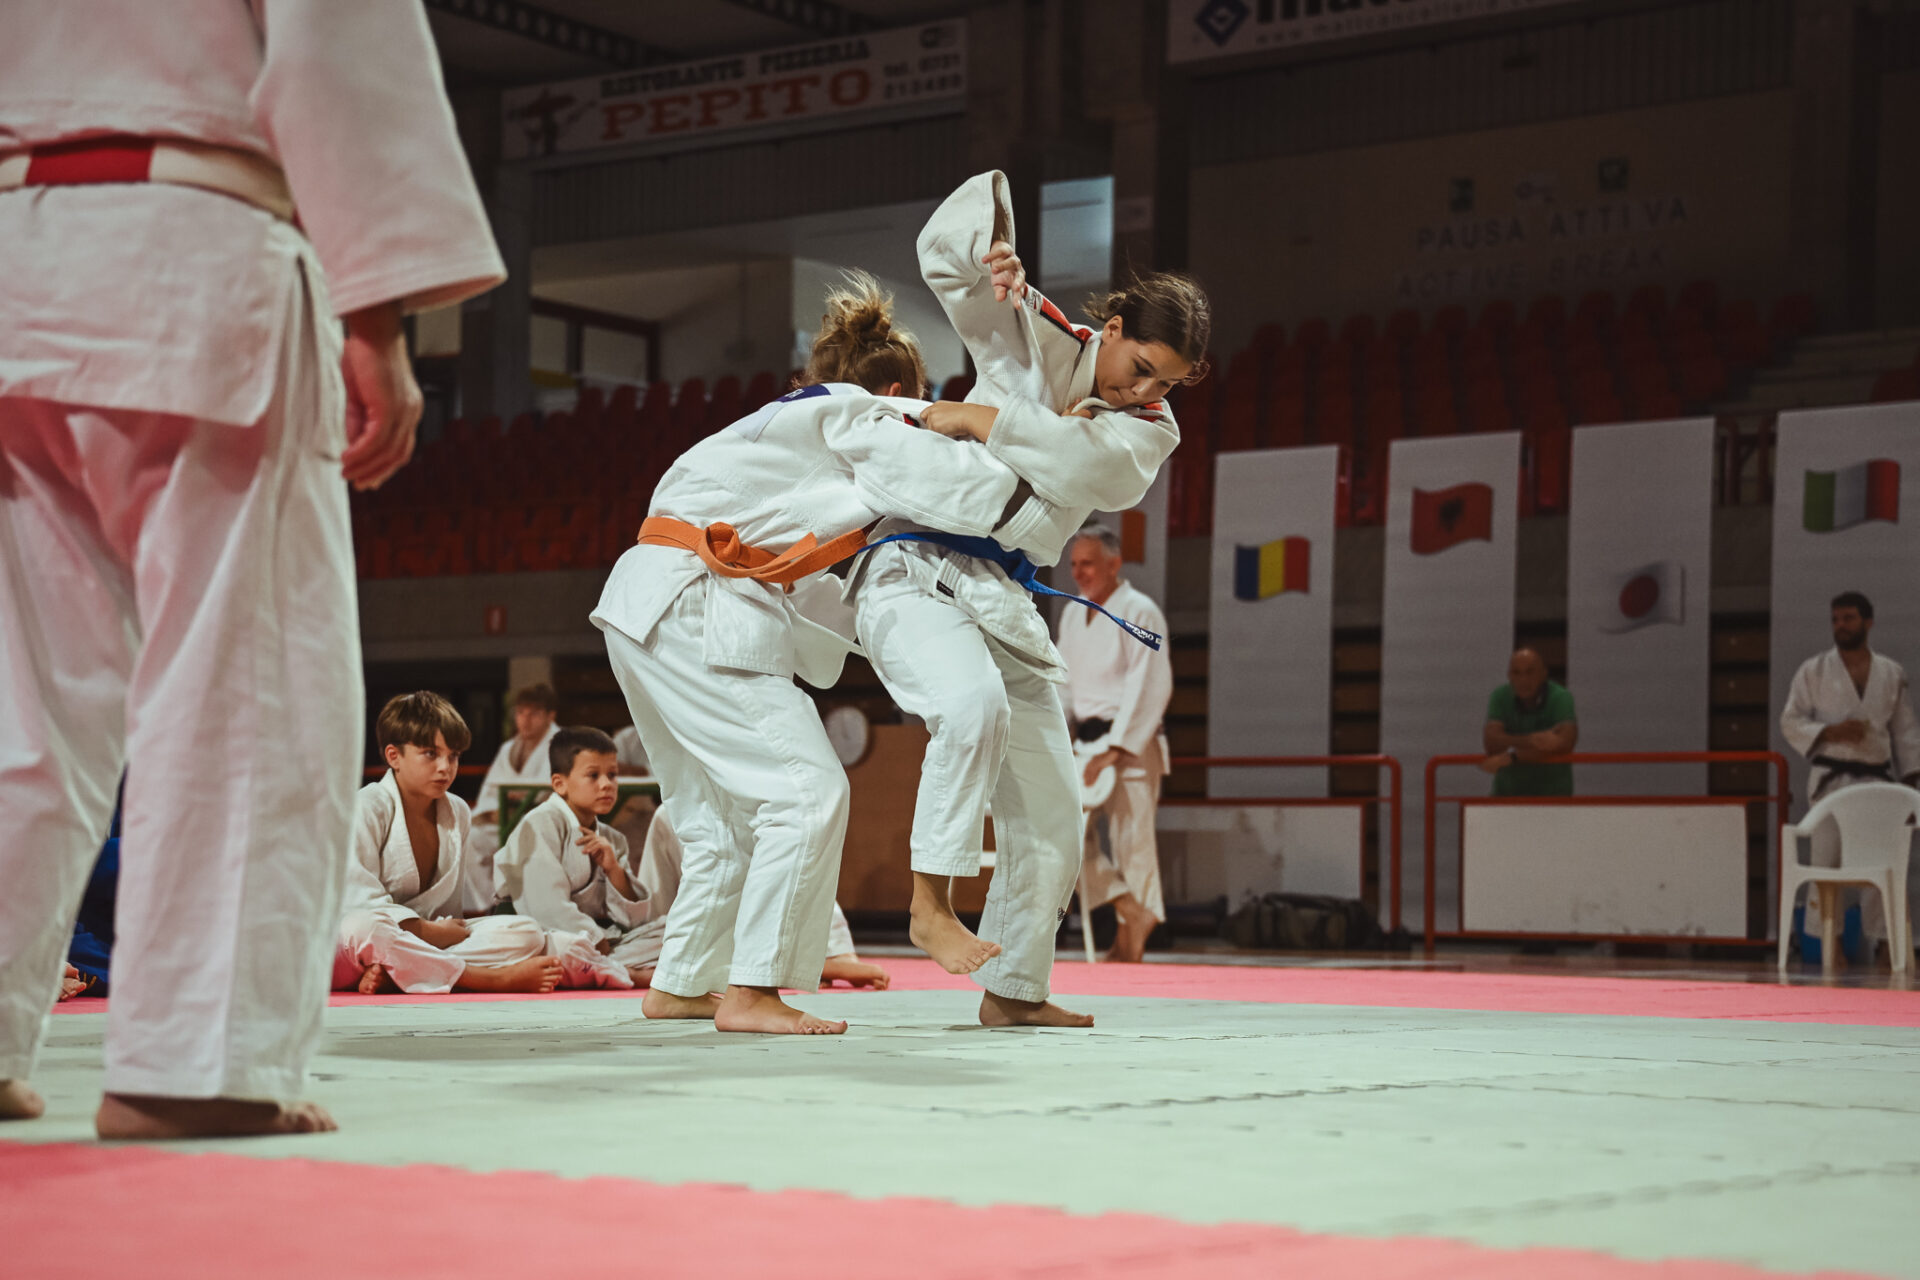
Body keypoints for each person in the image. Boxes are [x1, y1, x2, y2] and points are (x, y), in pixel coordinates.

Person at [0, 2, 504, 1137]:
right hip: (185, 247)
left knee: (21, 706)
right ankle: (198, 1062)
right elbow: (339, 40)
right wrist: (376, 314)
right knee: (245, 685)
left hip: (14, 262)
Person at [590, 273, 1032, 1034]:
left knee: (719, 823)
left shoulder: (777, 426)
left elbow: (822, 599)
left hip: (642, 603)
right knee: (804, 793)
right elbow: (950, 473)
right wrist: (1006, 434)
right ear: (897, 391)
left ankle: (682, 982)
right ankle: (754, 991)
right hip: (695, 603)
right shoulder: (863, 410)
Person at [848, 169, 1208, 1026]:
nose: (1143, 392)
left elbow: (1093, 472)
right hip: (917, 557)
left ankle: (1014, 991)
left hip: (1002, 592)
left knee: (1050, 802)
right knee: (971, 710)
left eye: (1165, 383)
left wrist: (983, 421)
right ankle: (930, 903)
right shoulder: (1039, 329)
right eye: (1140, 367)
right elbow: (946, 262)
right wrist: (990, 250)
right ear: (1112, 329)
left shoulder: (1151, 429)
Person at [336, 693, 575, 997]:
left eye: (453, 756)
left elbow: (449, 921)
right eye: (430, 754)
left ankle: (402, 973)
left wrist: (438, 933)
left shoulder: (457, 811)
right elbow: (357, 904)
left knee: (525, 932)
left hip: (418, 943)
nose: (445, 767)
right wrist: (428, 932)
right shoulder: (366, 807)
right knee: (368, 927)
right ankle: (489, 979)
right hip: (357, 946)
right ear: (394, 756)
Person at [1779, 591, 1920, 959]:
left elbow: (1905, 732)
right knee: (1826, 860)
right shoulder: (1813, 671)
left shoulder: (1891, 673)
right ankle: (1831, 944)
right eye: (1836, 620)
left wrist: (1911, 786)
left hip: (1876, 782)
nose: (1840, 626)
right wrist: (1828, 732)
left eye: (1848, 618)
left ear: (1868, 622)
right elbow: (1791, 720)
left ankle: (1888, 944)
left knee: (1882, 862)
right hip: (1832, 781)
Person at [1057, 525, 1173, 963]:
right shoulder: (1073, 613)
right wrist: (1058, 737)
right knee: (1062, 837)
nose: (1079, 573)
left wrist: (1117, 749)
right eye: (1074, 564)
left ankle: (1130, 944)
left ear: (1114, 563)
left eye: (1088, 563)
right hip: (1084, 743)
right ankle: (1129, 907)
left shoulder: (1140, 611)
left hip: (1130, 745)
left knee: (1133, 845)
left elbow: (1151, 682)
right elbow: (1062, 685)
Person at [495, 727, 659, 989]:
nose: (606, 784)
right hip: (541, 936)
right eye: (593, 775)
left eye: (612, 775)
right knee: (553, 945)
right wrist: (596, 940)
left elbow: (633, 921)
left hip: (592, 943)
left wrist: (613, 869)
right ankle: (623, 971)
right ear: (560, 783)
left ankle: (606, 969)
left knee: (671, 931)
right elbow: (545, 908)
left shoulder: (612, 839)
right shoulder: (538, 824)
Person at [464, 684, 562, 915]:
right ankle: (486, 905)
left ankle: (503, 905)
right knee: (466, 839)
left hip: (539, 823)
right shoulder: (509, 748)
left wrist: (516, 801)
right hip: (500, 821)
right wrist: (494, 811)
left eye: (534, 714)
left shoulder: (561, 744)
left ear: (550, 716)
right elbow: (490, 790)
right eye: (520, 713)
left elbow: (549, 790)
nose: (525, 720)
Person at [1479, 648, 1579, 795]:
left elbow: (1565, 743)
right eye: (1516, 673)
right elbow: (1491, 743)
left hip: (1553, 796)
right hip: (1506, 796)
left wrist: (1512, 756)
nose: (1523, 680)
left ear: (1544, 674)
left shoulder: (1561, 697)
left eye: (1530, 672)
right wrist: (1532, 740)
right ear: (1509, 676)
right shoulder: (1499, 696)